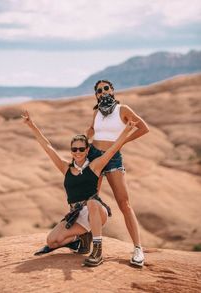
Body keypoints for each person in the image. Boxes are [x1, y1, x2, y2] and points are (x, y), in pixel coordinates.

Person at [22, 110, 136, 267]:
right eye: (74, 149)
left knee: (92, 203)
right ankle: (81, 238)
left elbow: (113, 149)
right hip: (77, 215)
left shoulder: (95, 166)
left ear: (87, 150)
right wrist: (31, 125)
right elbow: (48, 147)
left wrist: (126, 130)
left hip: (96, 212)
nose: (78, 152)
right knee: (52, 241)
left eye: (81, 149)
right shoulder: (65, 167)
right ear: (71, 151)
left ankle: (97, 251)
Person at [84, 79, 149, 267]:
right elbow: (92, 130)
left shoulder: (123, 109)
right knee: (91, 200)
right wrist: (83, 138)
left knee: (124, 203)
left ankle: (138, 249)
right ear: (96, 94)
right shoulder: (96, 111)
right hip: (94, 157)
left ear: (112, 90)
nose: (103, 92)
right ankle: (90, 243)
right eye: (99, 90)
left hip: (113, 159)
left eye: (106, 88)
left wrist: (122, 142)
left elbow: (143, 128)